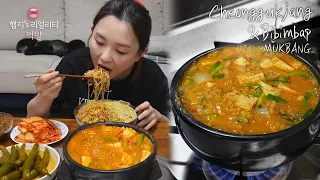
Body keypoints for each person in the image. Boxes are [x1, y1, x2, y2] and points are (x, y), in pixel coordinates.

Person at [27, 0, 171, 130]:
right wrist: (44, 96)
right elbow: (32, 118)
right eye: (99, 42)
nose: (105, 57)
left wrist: (158, 117)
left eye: (121, 51)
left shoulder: (153, 76)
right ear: (92, 32)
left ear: (140, 54)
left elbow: (171, 124)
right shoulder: (73, 64)